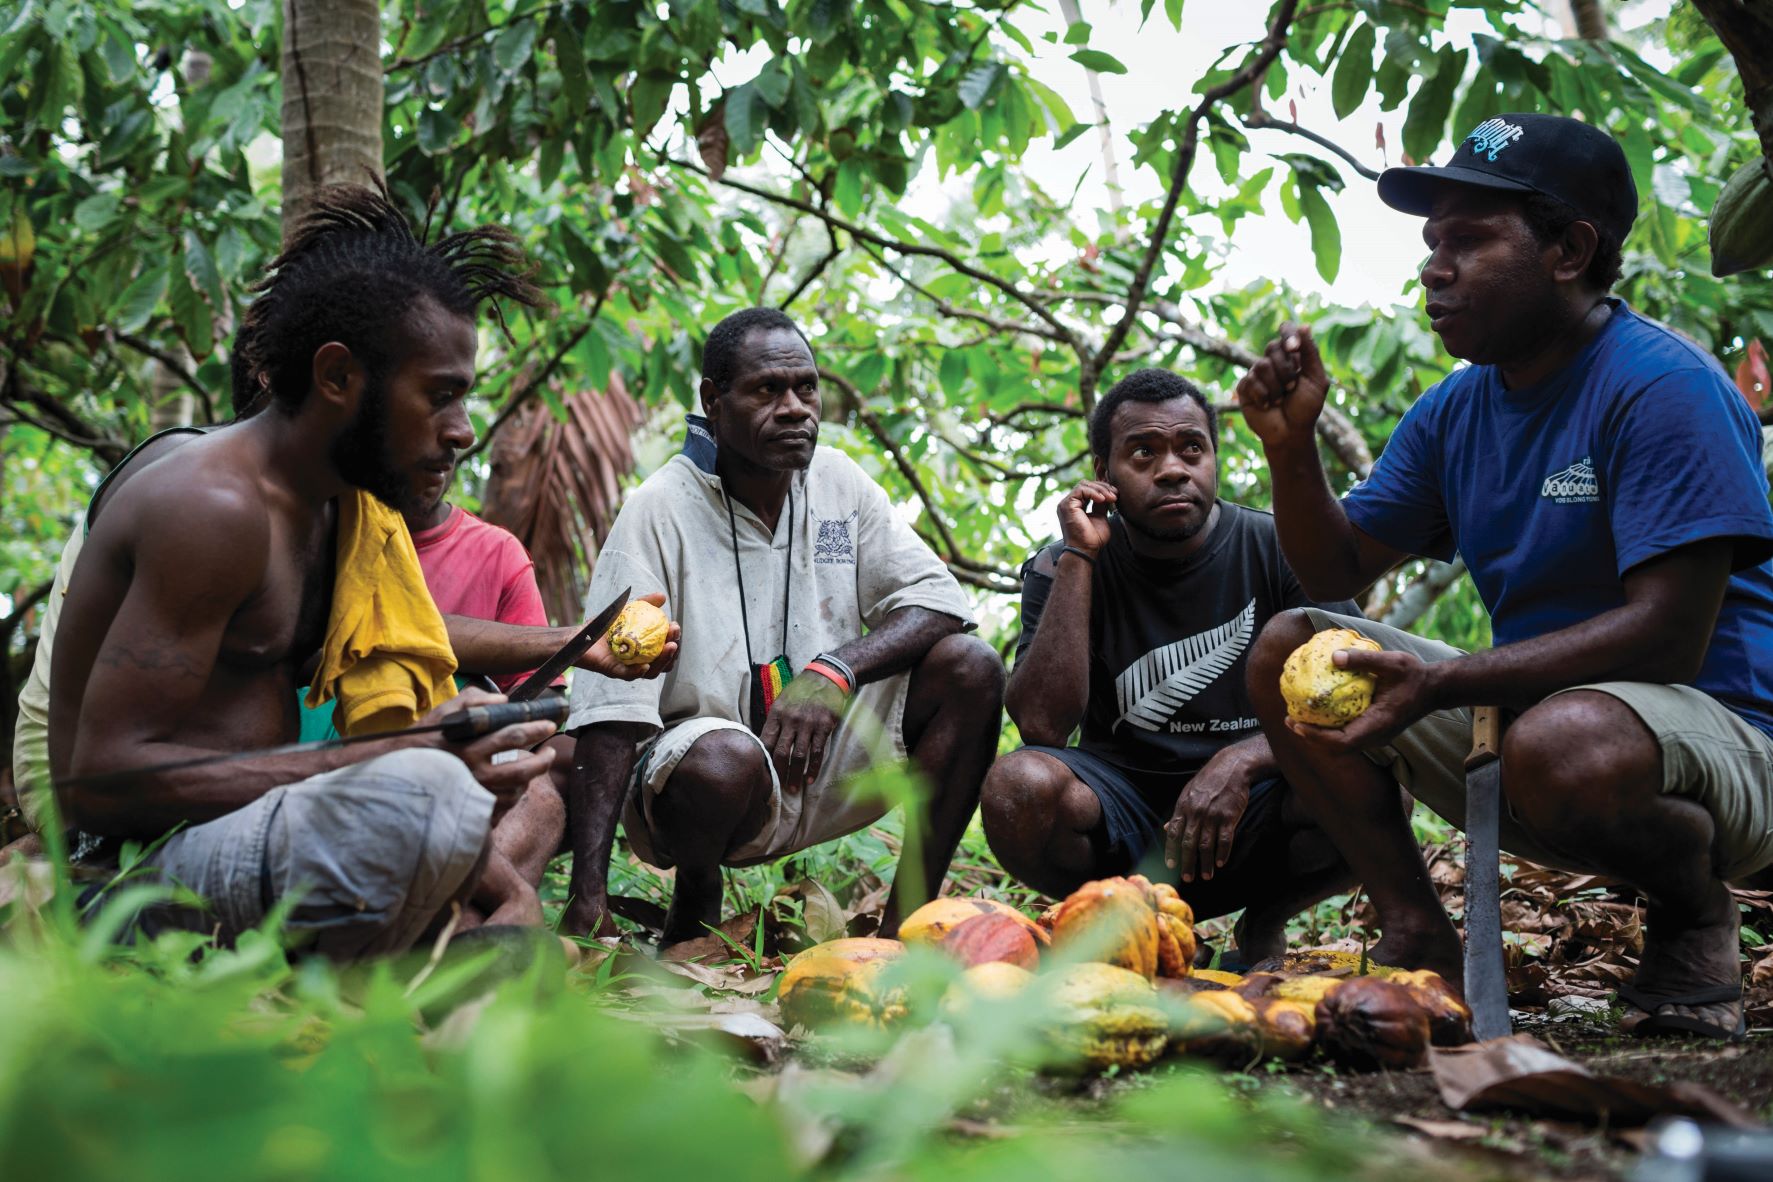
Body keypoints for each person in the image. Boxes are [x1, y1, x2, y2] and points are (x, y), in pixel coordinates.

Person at [1235, 113, 1773, 1040]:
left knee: (1563, 741)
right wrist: (1290, 454)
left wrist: (1443, 680)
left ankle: (1694, 920)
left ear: (1569, 249)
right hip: (1550, 736)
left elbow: (1665, 637)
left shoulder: (1661, 386)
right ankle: (1415, 930)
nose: (1432, 268)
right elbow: (1331, 570)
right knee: (1294, 646)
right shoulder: (1455, 411)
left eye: (1469, 239)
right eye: (1431, 242)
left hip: (1729, 746)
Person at [48, 183, 567, 959]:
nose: (461, 430)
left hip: (248, 847)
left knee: (498, 781)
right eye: (439, 396)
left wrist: (510, 884)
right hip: (123, 879)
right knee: (423, 792)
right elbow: (98, 784)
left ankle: (440, 956)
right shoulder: (213, 506)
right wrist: (398, 754)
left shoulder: (339, 512)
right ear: (336, 378)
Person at [561, 307, 1004, 945]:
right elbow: (611, 708)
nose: (795, 408)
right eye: (768, 390)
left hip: (826, 763)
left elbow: (940, 598)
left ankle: (904, 925)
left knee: (972, 666)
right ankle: (697, 896)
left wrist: (834, 670)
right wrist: (588, 895)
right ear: (713, 401)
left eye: (806, 387)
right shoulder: (657, 509)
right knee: (722, 758)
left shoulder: (839, 484)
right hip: (703, 784)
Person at [979, 369, 1359, 965]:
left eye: (1191, 448)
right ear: (1103, 475)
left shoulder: (1280, 545)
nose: (1173, 469)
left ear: (1214, 457)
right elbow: (1042, 728)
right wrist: (1081, 556)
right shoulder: (1061, 565)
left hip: (1256, 809)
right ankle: (1116, 922)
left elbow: (1357, 681)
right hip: (1119, 808)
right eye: (1143, 453)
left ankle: (1266, 919)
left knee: (1368, 772)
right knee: (1017, 787)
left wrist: (1242, 759)